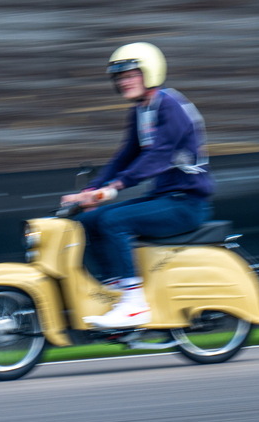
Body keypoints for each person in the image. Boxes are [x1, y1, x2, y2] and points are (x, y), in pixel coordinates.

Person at [61, 42, 215, 329]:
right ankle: (116, 291)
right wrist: (89, 191)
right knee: (87, 220)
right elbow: (125, 156)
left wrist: (113, 188)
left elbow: (157, 158)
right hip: (164, 197)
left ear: (150, 72)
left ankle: (134, 305)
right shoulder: (141, 111)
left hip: (187, 203)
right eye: (119, 77)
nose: (123, 81)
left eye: (130, 74)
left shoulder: (172, 108)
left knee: (113, 221)